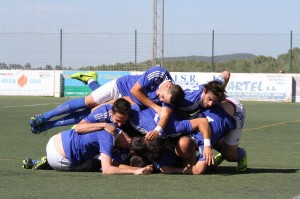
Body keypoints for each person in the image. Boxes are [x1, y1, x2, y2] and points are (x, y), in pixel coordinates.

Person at [29, 66, 185, 135]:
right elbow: (134, 91)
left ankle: (49, 125)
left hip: (130, 101)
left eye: (163, 100)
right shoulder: (158, 73)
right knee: (90, 102)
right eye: (162, 96)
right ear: (168, 86)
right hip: (122, 87)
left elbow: (165, 112)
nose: (160, 99)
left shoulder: (170, 96)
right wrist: (154, 106)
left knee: (92, 112)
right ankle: (45, 116)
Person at [44, 98, 152, 174]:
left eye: (123, 121)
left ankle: (47, 160)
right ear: (111, 112)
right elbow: (107, 169)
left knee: (94, 151)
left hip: (56, 139)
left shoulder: (116, 130)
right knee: (97, 163)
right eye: (118, 120)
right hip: (59, 158)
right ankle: (48, 162)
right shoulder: (108, 133)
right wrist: (136, 171)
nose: (119, 124)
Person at [158, 101, 237, 175]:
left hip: (234, 109)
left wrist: (172, 170)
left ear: (193, 149)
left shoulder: (203, 146)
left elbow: (198, 170)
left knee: (229, 154)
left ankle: (242, 155)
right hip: (213, 106)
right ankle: (210, 161)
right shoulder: (184, 128)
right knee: (188, 164)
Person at [213, 97, 247, 171]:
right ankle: (223, 150)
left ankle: (242, 154)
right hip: (217, 112)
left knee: (229, 155)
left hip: (234, 112)